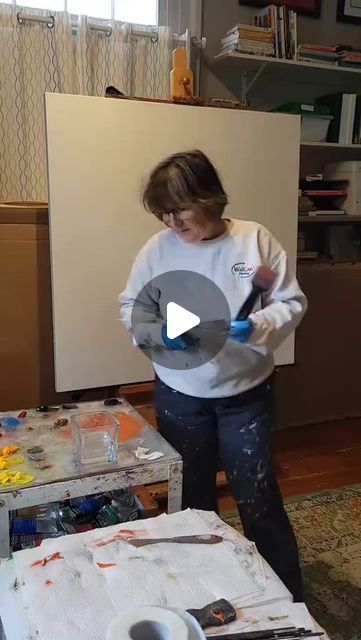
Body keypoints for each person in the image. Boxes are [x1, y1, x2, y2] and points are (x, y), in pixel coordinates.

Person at [120, 149, 307, 601]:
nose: (171, 221)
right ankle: (202, 591)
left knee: (258, 498)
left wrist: (259, 324)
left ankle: (288, 599)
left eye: (180, 208)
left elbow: (291, 303)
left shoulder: (254, 241)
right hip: (181, 393)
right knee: (194, 501)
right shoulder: (156, 250)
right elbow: (131, 308)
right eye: (163, 212)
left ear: (209, 198)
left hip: (247, 396)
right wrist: (159, 332)